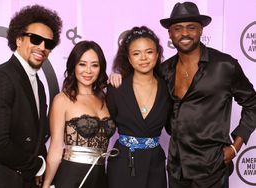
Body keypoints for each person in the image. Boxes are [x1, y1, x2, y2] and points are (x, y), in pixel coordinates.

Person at [159, 2, 256, 187]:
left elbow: (253, 104)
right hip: (176, 168)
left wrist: (235, 148)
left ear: (201, 30)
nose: (184, 34)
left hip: (212, 168)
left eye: (191, 27)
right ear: (170, 34)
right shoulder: (164, 70)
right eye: (178, 28)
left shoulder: (224, 65)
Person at [0, 5, 62, 188]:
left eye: (49, 43)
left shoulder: (38, 84)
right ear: (19, 39)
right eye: (36, 39)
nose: (42, 47)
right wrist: (37, 166)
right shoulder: (1, 77)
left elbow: (36, 137)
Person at [42, 40, 116, 188]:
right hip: (71, 176)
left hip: (100, 176)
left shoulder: (107, 98)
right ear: (73, 66)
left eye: (94, 65)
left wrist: (118, 76)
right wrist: (46, 184)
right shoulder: (62, 99)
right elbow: (56, 148)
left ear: (100, 68)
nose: (88, 71)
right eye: (82, 64)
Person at [106, 26, 172, 188]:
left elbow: (172, 126)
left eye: (149, 52)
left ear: (157, 54)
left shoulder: (168, 88)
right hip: (123, 163)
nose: (143, 58)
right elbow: (110, 122)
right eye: (136, 53)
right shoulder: (117, 87)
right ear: (128, 58)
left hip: (155, 164)